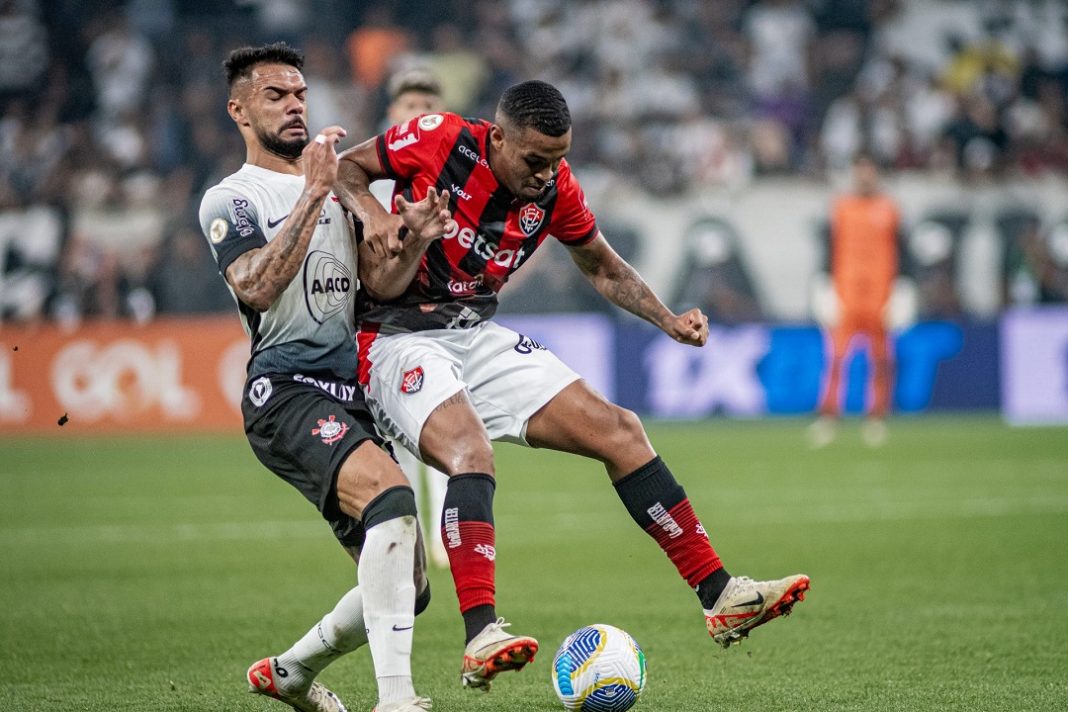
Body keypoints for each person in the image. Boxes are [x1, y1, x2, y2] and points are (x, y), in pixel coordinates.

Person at [334, 80, 811, 692]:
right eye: (535, 161)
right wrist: (375, 217)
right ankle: (482, 635)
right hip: (393, 338)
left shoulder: (555, 187)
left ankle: (720, 596)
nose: (546, 174)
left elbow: (602, 265)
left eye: (559, 159)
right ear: (498, 138)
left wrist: (667, 319)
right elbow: (349, 168)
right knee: (469, 452)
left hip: (474, 332)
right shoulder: (441, 138)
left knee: (621, 430)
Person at [198, 42, 451, 712]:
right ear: (240, 111)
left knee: (411, 584)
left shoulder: (340, 184)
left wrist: (413, 238)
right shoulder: (232, 197)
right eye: (275, 95)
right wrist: (313, 192)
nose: (293, 106)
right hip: (284, 389)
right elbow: (255, 286)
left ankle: (291, 671)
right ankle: (395, 699)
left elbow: (380, 281)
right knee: (393, 503)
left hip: (354, 388)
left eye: (300, 94)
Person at [369, 67, 450, 569]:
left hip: (437, 324)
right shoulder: (370, 181)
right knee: (391, 443)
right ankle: (408, 540)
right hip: (376, 327)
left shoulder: (459, 179)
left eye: (428, 107)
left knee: (445, 434)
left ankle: (445, 538)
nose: (418, 115)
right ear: (392, 116)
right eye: (410, 106)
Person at [809, 153, 901, 448]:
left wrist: (902, 288)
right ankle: (829, 416)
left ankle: (876, 417)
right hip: (846, 291)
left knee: (881, 358)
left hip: (879, 293)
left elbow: (903, 251)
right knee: (836, 357)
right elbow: (828, 247)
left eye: (869, 170)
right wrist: (824, 285)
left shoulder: (889, 209)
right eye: (860, 170)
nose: (864, 176)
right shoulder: (841, 208)